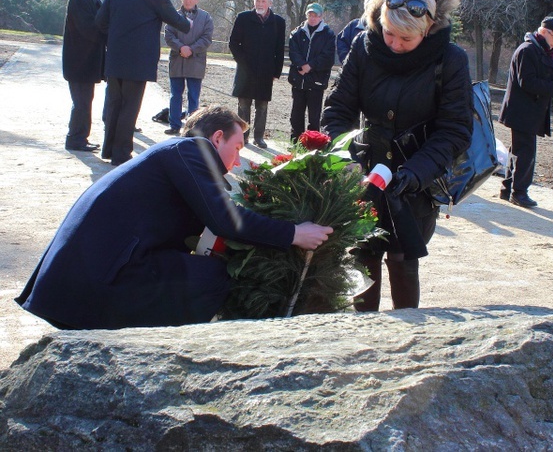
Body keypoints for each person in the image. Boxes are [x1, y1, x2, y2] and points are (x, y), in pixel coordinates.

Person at [15, 106, 334, 330]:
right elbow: (225, 219)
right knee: (213, 277)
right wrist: (293, 233)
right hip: (95, 278)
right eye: (237, 148)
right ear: (218, 137)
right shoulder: (191, 151)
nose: (237, 163)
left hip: (83, 277)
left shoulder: (176, 156)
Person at [321, 0, 472, 312]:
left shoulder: (451, 59)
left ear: (428, 28)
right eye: (389, 32)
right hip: (365, 168)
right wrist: (342, 158)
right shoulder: (364, 46)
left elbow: (455, 130)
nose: (394, 43)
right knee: (363, 254)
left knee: (403, 259)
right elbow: (338, 111)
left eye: (406, 38)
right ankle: (366, 333)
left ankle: (407, 338)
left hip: (416, 175)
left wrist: (416, 173)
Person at [95, 0, 191, 166]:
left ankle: (108, 148)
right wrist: (189, 24)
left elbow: (100, 21)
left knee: (113, 104)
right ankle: (121, 154)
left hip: (116, 56)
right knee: (130, 106)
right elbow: (176, 21)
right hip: (138, 60)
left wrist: (115, 38)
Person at [499, 16, 553, 208]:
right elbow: (527, 82)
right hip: (522, 111)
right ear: (546, 32)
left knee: (518, 150)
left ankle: (507, 189)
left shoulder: (538, 50)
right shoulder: (528, 50)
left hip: (527, 111)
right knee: (526, 152)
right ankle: (519, 192)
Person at [229, 0, 286, 148]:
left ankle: (259, 137)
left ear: (270, 3)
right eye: (257, 1)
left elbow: (279, 48)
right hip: (246, 70)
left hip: (266, 70)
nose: (260, 4)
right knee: (243, 104)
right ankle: (243, 136)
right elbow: (233, 43)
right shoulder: (243, 18)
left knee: (262, 105)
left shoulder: (278, 22)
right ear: (253, 2)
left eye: (263, 1)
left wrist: (276, 71)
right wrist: (243, 62)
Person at [62, 0, 106, 152]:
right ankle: (75, 138)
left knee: (84, 101)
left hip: (84, 62)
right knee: (81, 102)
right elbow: (88, 29)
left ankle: (80, 137)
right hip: (79, 62)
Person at [163, 0, 214, 135]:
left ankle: (192, 126)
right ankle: (174, 124)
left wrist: (191, 49)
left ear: (196, 0)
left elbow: (207, 38)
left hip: (196, 61)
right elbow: (169, 35)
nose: (188, 0)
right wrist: (181, 48)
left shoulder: (205, 17)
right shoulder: (174, 15)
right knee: (175, 95)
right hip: (177, 60)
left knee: (193, 96)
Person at [288, 2, 335, 142]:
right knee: (296, 114)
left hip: (316, 81)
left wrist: (310, 66)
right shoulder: (297, 32)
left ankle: (312, 144)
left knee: (314, 116)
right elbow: (293, 51)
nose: (312, 18)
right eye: (310, 15)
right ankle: (295, 141)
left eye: (315, 15)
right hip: (298, 79)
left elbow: (328, 57)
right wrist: (301, 65)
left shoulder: (328, 34)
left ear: (321, 17)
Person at [335, 0, 371, 64]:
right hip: (352, 70)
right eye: (369, 7)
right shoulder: (353, 25)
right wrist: (346, 60)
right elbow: (341, 41)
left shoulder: (383, 29)